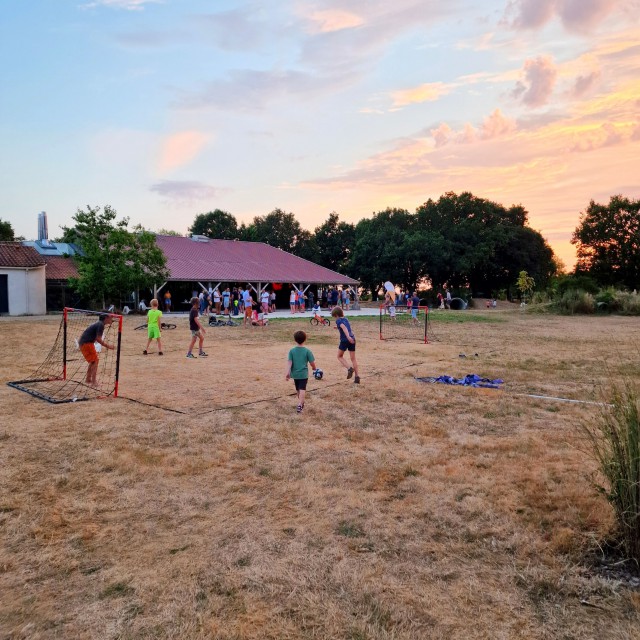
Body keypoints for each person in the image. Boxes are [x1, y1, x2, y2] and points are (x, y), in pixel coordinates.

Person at [285, 330, 318, 414]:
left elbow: (289, 363)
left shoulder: (291, 351)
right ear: (305, 339)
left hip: (295, 374)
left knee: (298, 389)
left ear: (295, 340)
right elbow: (312, 363)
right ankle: (300, 404)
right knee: (302, 388)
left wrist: (288, 372)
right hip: (303, 374)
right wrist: (314, 368)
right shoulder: (307, 351)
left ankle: (300, 402)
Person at [78, 313, 115, 386]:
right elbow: (98, 339)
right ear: (106, 318)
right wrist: (108, 346)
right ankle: (94, 382)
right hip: (86, 343)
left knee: (93, 361)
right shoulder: (100, 325)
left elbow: (95, 338)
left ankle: (88, 379)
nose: (112, 319)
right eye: (110, 317)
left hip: (84, 343)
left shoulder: (99, 324)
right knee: (95, 361)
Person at [331, 306, 360, 384]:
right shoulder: (346, 319)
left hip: (345, 340)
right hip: (352, 339)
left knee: (339, 356)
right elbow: (346, 327)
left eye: (334, 317)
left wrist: (348, 337)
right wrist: (337, 327)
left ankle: (349, 368)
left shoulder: (338, 320)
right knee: (353, 358)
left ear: (336, 315)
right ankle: (357, 377)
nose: (335, 318)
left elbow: (343, 327)